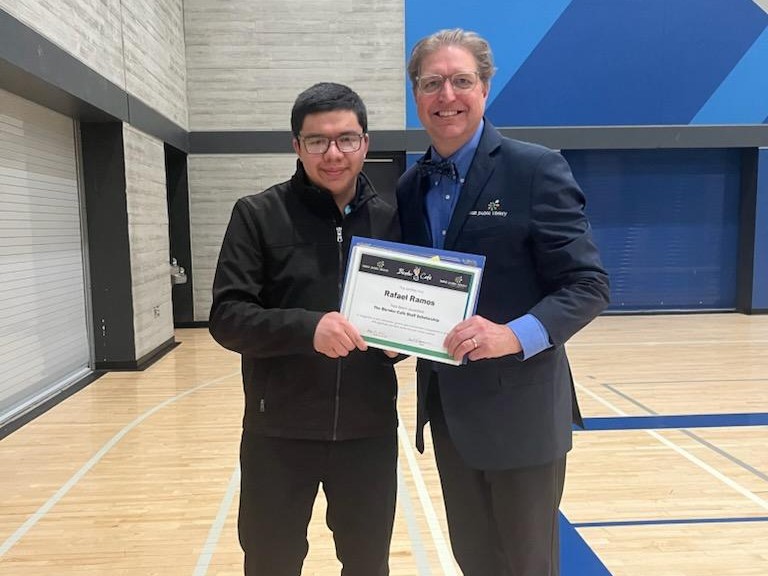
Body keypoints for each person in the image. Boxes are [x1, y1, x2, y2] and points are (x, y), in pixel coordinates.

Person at [397, 29, 610, 576]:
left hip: (522, 411)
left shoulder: (535, 168)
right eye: (431, 83)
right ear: (416, 94)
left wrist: (512, 334)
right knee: (474, 561)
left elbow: (588, 285)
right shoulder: (409, 185)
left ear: (485, 88)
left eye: (461, 80)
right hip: (448, 412)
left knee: (527, 564)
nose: (447, 95)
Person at [209, 82, 400, 576]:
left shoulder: (393, 220)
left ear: (365, 143)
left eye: (346, 139)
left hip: (368, 431)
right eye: (317, 141)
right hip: (278, 432)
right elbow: (228, 317)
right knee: (271, 562)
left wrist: (401, 345)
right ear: (296, 146)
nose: (332, 153)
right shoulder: (257, 215)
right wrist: (307, 329)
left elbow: (410, 311)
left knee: (367, 563)